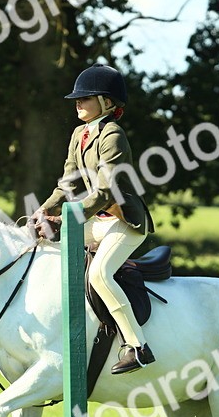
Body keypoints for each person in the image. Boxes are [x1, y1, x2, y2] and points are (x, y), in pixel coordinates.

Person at [31, 64, 155, 375]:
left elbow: (104, 192)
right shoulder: (79, 134)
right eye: (77, 99)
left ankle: (137, 346)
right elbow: (68, 184)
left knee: (100, 274)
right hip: (95, 221)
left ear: (107, 102)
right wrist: (42, 211)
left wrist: (68, 219)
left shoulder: (112, 135)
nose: (78, 103)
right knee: (44, 249)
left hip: (123, 221)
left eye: (85, 98)